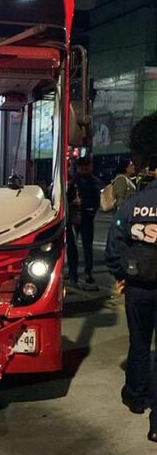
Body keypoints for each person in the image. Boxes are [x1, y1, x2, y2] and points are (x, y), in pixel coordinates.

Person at [105, 176, 157, 440]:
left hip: (137, 286)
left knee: (139, 342)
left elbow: (114, 243)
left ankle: (136, 398)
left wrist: (121, 274)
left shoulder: (132, 205)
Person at [66, 156, 101, 290]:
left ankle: (81, 273)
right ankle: (78, 273)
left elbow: (96, 201)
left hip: (82, 217)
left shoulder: (77, 181)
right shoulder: (75, 182)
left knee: (82, 247)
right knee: (79, 247)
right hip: (78, 217)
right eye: (83, 167)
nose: (85, 169)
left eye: (87, 167)